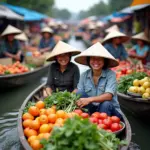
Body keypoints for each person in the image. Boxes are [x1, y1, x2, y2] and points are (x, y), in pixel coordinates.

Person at [74, 42, 122, 118]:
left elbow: (109, 96)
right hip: (92, 109)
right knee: (79, 93)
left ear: (104, 61)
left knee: (106, 104)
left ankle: (102, 126)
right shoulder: (84, 75)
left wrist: (89, 99)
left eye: (99, 59)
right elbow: (79, 94)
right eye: (93, 58)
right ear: (89, 60)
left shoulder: (111, 74)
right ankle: (87, 118)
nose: (96, 61)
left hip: (110, 111)